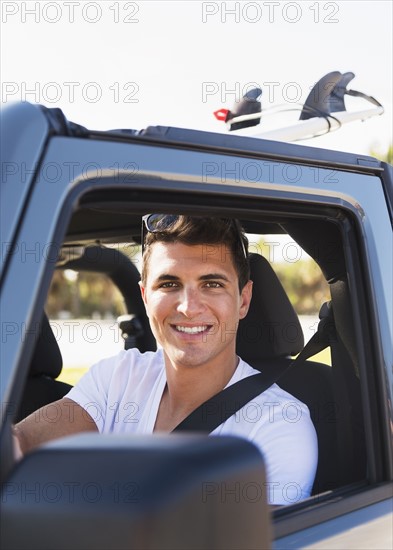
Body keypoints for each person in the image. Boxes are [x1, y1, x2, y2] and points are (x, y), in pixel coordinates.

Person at [13, 215, 318, 506]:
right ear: (145, 297)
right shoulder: (119, 377)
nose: (188, 307)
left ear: (244, 300)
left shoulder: (279, 423)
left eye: (212, 284)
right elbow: (19, 444)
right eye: (169, 284)